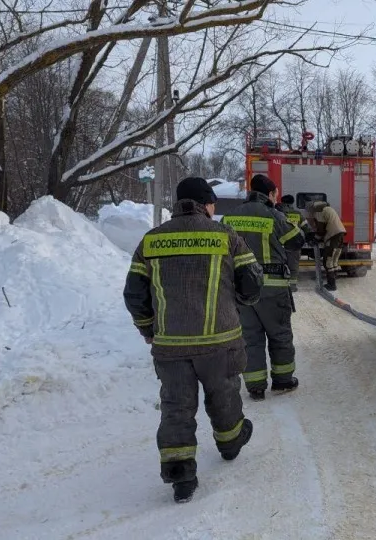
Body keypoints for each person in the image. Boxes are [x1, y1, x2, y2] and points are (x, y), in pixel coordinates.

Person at [123, 176, 264, 504]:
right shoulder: (225, 236)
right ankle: (230, 443)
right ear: (205, 203)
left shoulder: (151, 240)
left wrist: (149, 329)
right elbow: (252, 282)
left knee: (176, 406)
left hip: (170, 347)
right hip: (220, 342)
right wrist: (238, 303)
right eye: (213, 203)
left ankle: (180, 474)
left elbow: (134, 294)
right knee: (224, 394)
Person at [221, 174, 304, 401]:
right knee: (279, 335)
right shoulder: (274, 215)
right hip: (273, 287)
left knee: (250, 338)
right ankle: (283, 381)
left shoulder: (230, 217)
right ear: (269, 194)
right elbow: (297, 241)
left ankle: (255, 386)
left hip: (242, 289)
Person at [308, 200, 346, 291]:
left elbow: (321, 230)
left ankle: (331, 285)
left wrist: (315, 239)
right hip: (340, 235)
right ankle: (334, 280)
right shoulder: (328, 208)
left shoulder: (319, 211)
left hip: (333, 236)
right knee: (334, 260)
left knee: (328, 261)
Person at [277, 195, 310, 292]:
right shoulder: (298, 214)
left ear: (282, 201)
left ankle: (281, 286)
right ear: (292, 203)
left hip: (280, 243)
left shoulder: (278, 212)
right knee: (293, 266)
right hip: (294, 244)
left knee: (279, 265)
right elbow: (306, 228)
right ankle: (292, 286)